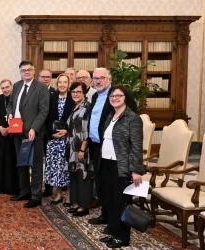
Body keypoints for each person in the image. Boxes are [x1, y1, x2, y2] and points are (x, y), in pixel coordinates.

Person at [87, 68, 137, 231]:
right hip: (98, 147)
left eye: (102, 78)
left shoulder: (121, 94)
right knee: (104, 185)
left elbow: (131, 122)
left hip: (117, 151)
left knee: (118, 191)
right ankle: (106, 216)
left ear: (110, 78)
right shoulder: (95, 96)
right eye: (95, 78)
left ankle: (121, 223)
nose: (98, 81)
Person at [98, 85, 143, 248]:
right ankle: (112, 231)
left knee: (121, 202)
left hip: (122, 166)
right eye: (112, 95)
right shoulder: (111, 115)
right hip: (106, 163)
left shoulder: (133, 118)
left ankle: (122, 237)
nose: (114, 98)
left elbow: (137, 146)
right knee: (109, 200)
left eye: (119, 95)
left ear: (126, 98)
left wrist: (136, 170)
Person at [7, 61, 49, 208]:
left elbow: (44, 111)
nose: (26, 72)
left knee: (36, 166)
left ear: (33, 70)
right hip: (17, 131)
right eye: (23, 70)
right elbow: (10, 103)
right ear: (20, 72)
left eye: (29, 70)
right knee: (21, 163)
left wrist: (34, 128)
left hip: (33, 133)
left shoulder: (41, 88)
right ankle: (24, 191)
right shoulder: (17, 85)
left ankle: (36, 196)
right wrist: (10, 114)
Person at [45, 74, 74, 206]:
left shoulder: (73, 99)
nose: (62, 85)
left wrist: (67, 131)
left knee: (66, 167)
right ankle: (58, 193)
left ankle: (68, 194)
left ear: (69, 84)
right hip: (53, 139)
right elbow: (46, 118)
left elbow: (77, 119)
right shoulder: (51, 98)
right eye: (60, 82)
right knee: (55, 167)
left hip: (67, 139)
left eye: (65, 82)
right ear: (57, 84)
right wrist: (52, 133)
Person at [65, 82, 92, 217]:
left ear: (84, 93)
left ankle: (84, 206)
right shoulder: (75, 107)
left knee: (82, 176)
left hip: (81, 148)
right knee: (74, 175)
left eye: (78, 92)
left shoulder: (87, 108)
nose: (75, 94)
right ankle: (76, 203)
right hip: (72, 148)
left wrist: (82, 150)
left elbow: (87, 131)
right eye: (73, 92)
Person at [0, 78, 19, 194]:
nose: (5, 90)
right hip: (2, 134)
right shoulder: (0, 98)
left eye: (7, 87)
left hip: (14, 133)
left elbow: (19, 116)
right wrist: (0, 128)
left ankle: (12, 187)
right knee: (2, 159)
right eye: (3, 88)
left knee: (12, 159)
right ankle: (1, 186)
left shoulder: (17, 97)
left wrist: (9, 129)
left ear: (11, 86)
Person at [38, 68, 57, 197]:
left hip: (50, 133)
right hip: (38, 131)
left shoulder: (55, 93)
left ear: (51, 78)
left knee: (50, 161)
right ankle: (37, 186)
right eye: (43, 77)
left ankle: (49, 188)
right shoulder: (35, 91)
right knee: (37, 161)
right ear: (38, 77)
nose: (45, 79)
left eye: (48, 77)